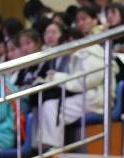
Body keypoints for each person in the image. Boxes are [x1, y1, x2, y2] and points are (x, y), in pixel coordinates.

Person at [37, 8, 112, 150]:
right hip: (90, 95)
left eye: (69, 41)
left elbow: (86, 81)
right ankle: (51, 148)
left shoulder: (91, 51)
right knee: (49, 105)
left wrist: (57, 77)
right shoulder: (79, 54)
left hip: (96, 98)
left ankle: (54, 149)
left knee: (51, 107)